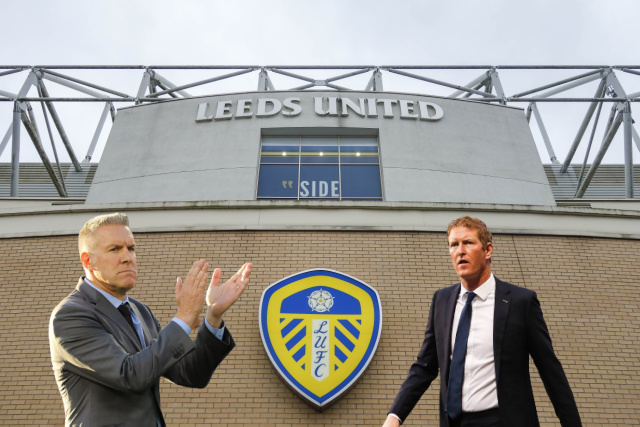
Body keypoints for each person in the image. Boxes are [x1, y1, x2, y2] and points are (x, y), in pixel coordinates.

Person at [49, 212, 252, 427]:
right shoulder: (70, 315)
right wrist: (183, 318)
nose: (127, 257)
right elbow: (129, 375)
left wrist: (214, 315)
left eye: (131, 248)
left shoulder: (140, 312)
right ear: (88, 260)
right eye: (114, 249)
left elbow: (191, 374)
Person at [383, 216, 581, 427]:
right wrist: (395, 417)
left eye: (468, 243)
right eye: (453, 245)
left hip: (503, 421)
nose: (460, 251)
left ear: (488, 250)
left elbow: (550, 370)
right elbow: (424, 367)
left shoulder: (520, 301)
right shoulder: (441, 301)